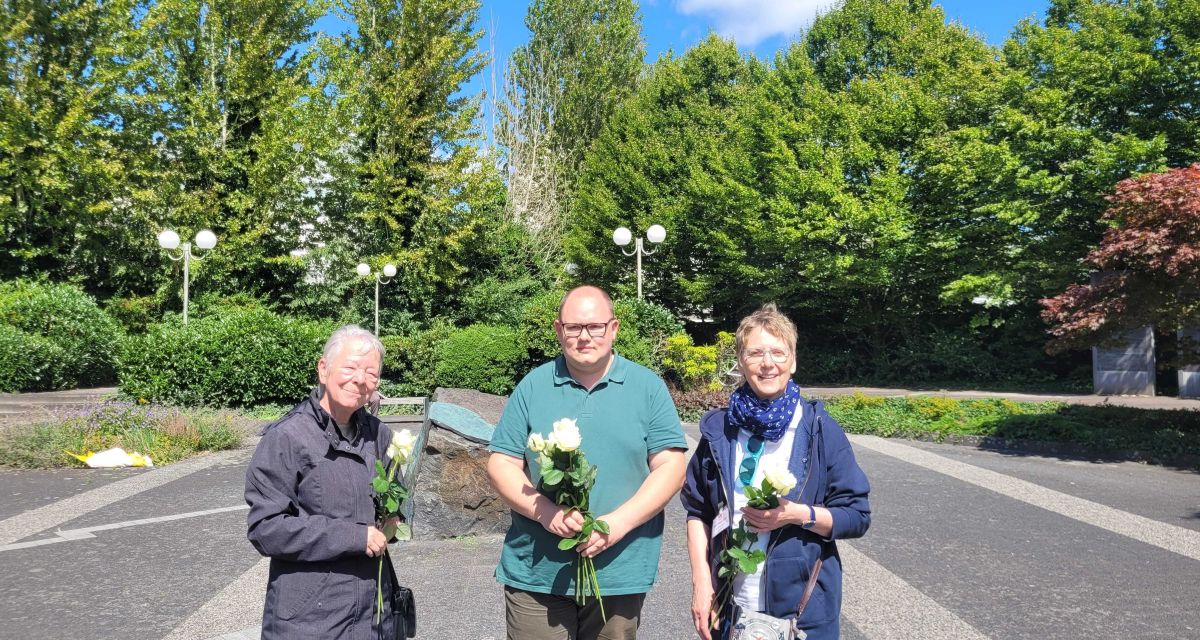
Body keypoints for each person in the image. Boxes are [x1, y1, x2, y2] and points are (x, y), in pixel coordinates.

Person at [487, 285, 689, 640]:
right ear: (557, 330)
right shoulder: (533, 386)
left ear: (613, 328)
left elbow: (671, 467)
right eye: (573, 328)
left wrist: (616, 524)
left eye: (595, 326)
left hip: (618, 568)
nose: (584, 337)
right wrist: (545, 512)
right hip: (538, 570)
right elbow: (501, 462)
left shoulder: (647, 387)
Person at [680, 304, 871, 640]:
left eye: (778, 352)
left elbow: (856, 516)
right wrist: (701, 583)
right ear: (740, 362)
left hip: (803, 617)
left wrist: (796, 514)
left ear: (793, 361)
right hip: (730, 610)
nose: (767, 363)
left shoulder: (819, 430)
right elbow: (699, 512)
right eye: (755, 353)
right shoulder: (719, 432)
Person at [245, 325, 406, 639]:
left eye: (371, 373)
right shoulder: (288, 437)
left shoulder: (378, 434)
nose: (360, 379)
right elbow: (266, 528)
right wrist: (352, 536)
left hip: (372, 615)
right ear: (323, 368)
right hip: (310, 619)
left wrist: (395, 521)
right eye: (350, 368)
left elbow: (395, 504)